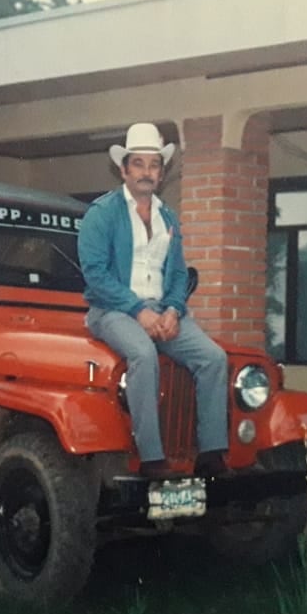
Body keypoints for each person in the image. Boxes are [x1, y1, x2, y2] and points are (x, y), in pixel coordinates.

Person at [77, 122, 229, 479]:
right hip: (112, 310)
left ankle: (211, 456)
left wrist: (174, 310)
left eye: (154, 165)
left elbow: (177, 273)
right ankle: (151, 459)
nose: (146, 172)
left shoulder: (167, 217)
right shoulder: (102, 213)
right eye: (139, 164)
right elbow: (95, 274)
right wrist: (138, 311)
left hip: (162, 310)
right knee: (143, 355)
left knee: (214, 358)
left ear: (161, 173)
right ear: (124, 170)